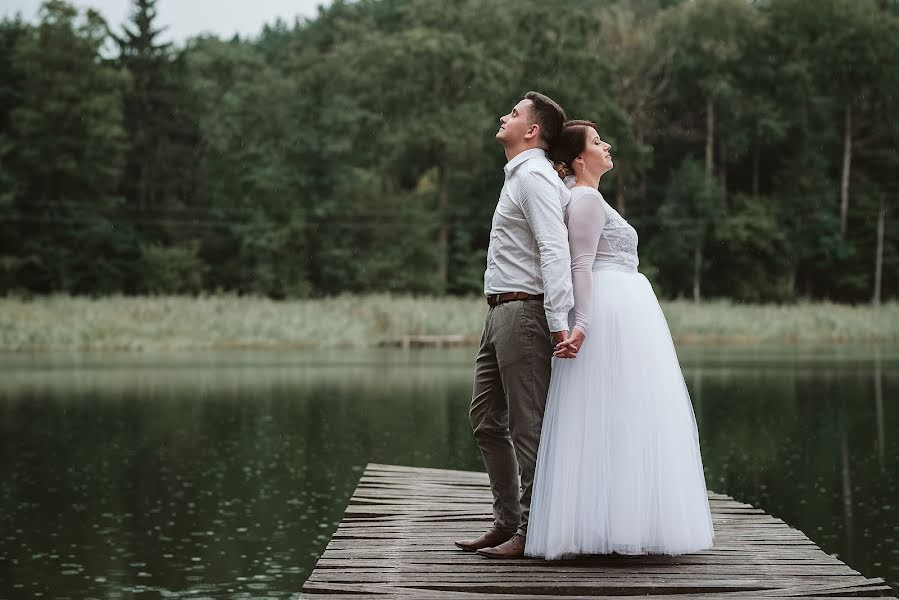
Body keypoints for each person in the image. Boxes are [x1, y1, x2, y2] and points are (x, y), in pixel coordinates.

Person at [524, 120, 715, 559]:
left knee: (616, 415)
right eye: (596, 142)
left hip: (622, 309)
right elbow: (581, 265)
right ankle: (611, 524)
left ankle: (611, 520)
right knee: (618, 412)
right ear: (577, 159)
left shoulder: (586, 196)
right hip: (609, 312)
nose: (606, 145)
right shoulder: (586, 199)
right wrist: (584, 323)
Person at [454, 92, 574, 559]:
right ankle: (506, 522)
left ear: (532, 131)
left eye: (515, 113)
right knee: (485, 420)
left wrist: (558, 319)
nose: (504, 115)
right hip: (499, 311)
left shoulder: (536, 178)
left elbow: (554, 248)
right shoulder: (518, 178)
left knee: (530, 427)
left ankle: (532, 530)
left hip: (525, 312)